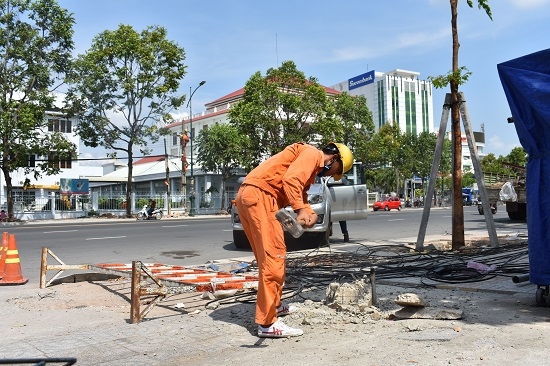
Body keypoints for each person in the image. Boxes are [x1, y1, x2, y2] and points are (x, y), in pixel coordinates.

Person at [235, 142, 353, 338]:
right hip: (261, 197)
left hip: (251, 196)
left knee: (269, 258)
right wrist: (299, 210)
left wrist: (307, 212)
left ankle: (275, 305)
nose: (330, 175)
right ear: (333, 159)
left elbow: (300, 192)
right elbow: (291, 181)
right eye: (335, 171)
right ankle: (268, 324)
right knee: (274, 258)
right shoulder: (313, 154)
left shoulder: (309, 161)